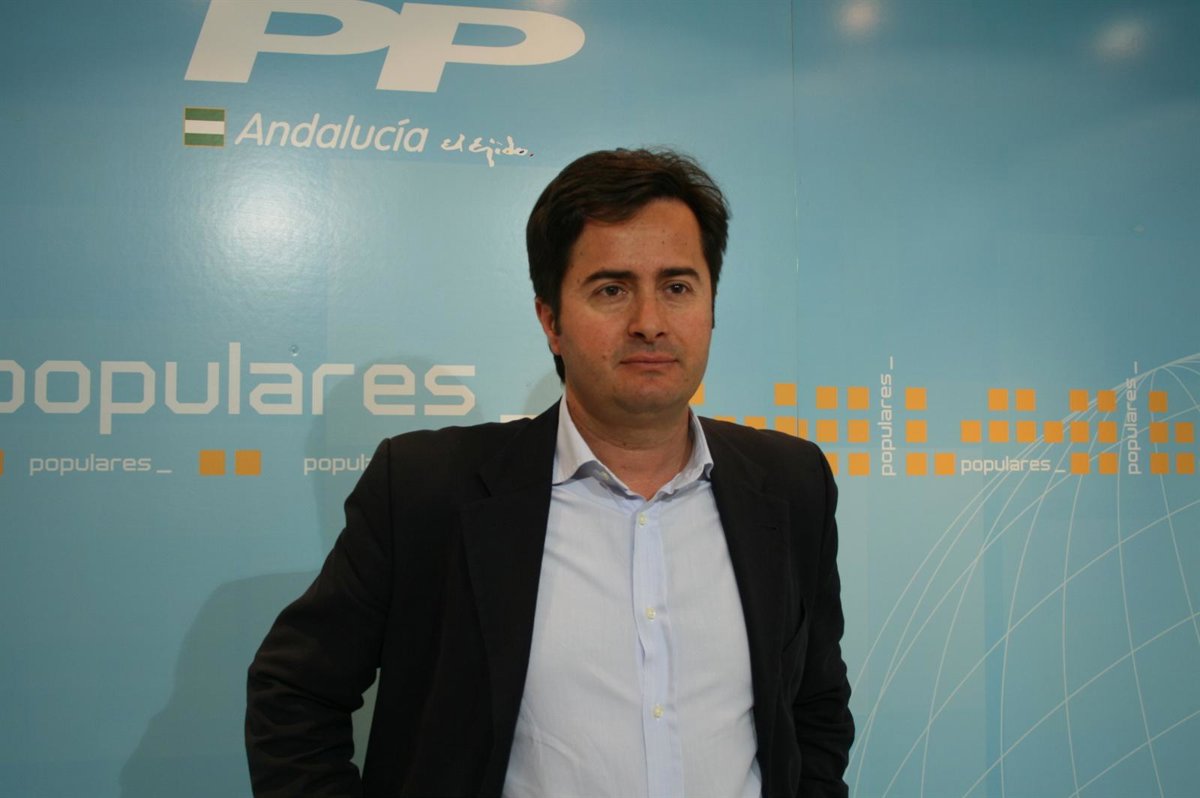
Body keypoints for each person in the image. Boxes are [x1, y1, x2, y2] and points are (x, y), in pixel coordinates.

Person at [246, 148, 854, 797]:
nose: (649, 323)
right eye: (612, 289)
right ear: (551, 321)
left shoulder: (791, 484)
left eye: (677, 287)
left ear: (710, 307)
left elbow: (815, 706)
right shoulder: (426, 490)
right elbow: (294, 695)